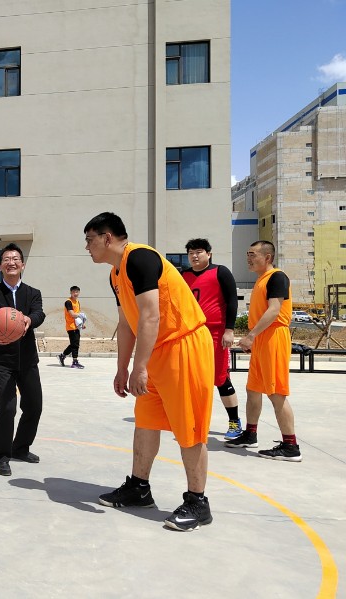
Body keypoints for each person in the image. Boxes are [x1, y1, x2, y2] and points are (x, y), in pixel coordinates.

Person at [84, 212, 215, 532]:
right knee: (145, 421)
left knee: (190, 428)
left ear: (107, 238)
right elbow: (127, 322)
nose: (87, 247)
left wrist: (138, 367)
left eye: (89, 240)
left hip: (182, 345)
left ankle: (198, 502)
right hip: (156, 351)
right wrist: (122, 367)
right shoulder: (115, 274)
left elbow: (150, 316)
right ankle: (139, 487)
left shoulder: (140, 258)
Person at [225, 241, 301, 461]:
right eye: (247, 254)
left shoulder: (277, 277)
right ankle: (250, 435)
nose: (248, 259)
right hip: (262, 339)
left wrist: (251, 336)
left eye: (252, 254)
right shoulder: (261, 279)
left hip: (273, 337)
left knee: (276, 393)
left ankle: (291, 446)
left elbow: (274, 310)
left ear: (267, 257)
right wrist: (254, 338)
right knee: (253, 389)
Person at [0, 243, 45, 477]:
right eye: (6, 259)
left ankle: (20, 447)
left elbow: (39, 313)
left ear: (22, 265)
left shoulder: (33, 293)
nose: (11, 262)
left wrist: (29, 320)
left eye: (16, 259)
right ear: (0, 266)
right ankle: (0, 456)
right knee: (7, 408)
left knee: (34, 406)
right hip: (2, 361)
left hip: (27, 359)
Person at [181, 238, 242, 441]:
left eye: (198, 252)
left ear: (209, 254)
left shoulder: (220, 272)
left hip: (216, 333)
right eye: (191, 253)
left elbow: (232, 301)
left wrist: (229, 330)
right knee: (193, 379)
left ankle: (234, 422)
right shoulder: (184, 276)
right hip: (192, 334)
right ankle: (194, 421)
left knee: (221, 378)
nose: (194, 256)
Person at [57, 285, 85, 369]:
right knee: (75, 345)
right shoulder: (68, 302)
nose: (75, 293)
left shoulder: (77, 302)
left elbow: (77, 314)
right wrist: (81, 315)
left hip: (76, 326)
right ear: (70, 292)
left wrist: (82, 323)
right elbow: (72, 314)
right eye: (73, 292)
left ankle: (62, 356)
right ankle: (74, 362)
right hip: (71, 326)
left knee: (74, 344)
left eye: (77, 292)